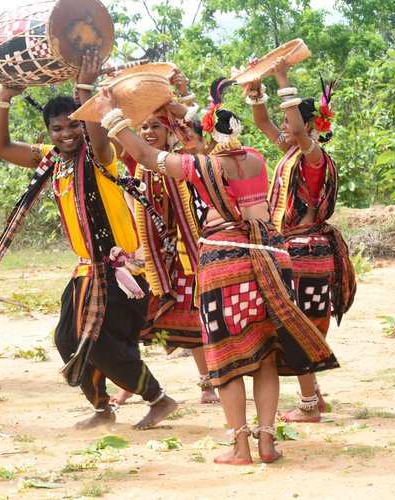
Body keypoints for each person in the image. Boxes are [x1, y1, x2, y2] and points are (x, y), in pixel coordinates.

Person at [94, 77, 338, 464]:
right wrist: (184, 109)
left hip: (226, 264)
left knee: (227, 358)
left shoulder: (200, 167)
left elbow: (143, 156)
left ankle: (240, 447)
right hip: (272, 260)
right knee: (265, 356)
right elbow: (209, 128)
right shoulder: (257, 158)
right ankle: (268, 443)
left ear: (204, 138)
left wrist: (112, 116)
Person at [0, 51, 177, 430]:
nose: (66, 134)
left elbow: (95, 134)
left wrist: (85, 88)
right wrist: (4, 97)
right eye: (57, 129)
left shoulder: (100, 154)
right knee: (66, 340)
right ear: (49, 134)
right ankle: (101, 407)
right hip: (85, 273)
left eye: (72, 126)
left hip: (121, 273)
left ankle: (159, 398)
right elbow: (0, 147)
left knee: (107, 345)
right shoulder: (51, 160)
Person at [248, 58, 356, 423]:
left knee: (297, 326)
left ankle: (309, 405)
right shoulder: (292, 152)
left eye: (292, 120)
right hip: (296, 249)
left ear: (309, 125)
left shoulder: (313, 156)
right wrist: (255, 90)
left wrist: (283, 80)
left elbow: (292, 123)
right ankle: (315, 398)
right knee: (298, 323)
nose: (284, 126)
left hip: (307, 252)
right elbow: (262, 121)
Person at [112, 70, 219, 406]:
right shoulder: (134, 163)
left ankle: (206, 385)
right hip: (149, 257)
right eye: (143, 127)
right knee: (137, 321)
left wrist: (181, 96)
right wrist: (110, 102)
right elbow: (114, 139)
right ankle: (130, 383)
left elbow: (202, 140)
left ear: (169, 132)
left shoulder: (181, 161)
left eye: (155, 126)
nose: (147, 132)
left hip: (186, 254)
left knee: (191, 318)